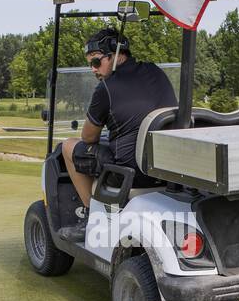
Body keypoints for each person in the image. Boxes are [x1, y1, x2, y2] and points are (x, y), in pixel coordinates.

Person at [58, 27, 177, 241]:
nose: (93, 69)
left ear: (117, 54)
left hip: (130, 173)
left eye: (96, 62)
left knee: (67, 146)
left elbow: (88, 138)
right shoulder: (155, 71)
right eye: (90, 64)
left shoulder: (105, 89)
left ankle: (90, 217)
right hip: (165, 167)